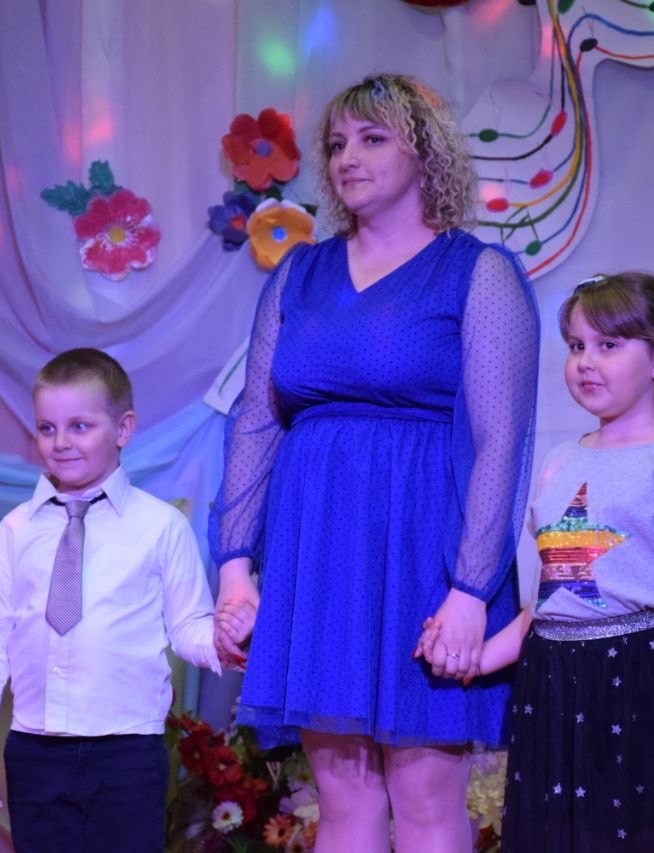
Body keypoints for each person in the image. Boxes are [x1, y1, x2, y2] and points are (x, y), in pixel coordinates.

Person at [210, 73, 539, 852]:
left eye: (372, 138)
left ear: (425, 153)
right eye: (336, 144)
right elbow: (256, 420)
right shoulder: (300, 274)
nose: (347, 158)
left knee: (426, 800)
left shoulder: (476, 273)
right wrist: (234, 566)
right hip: (320, 554)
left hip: (426, 556)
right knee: (343, 798)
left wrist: (471, 589)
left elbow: (499, 441)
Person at [470, 272, 654, 851]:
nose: (586, 362)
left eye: (608, 345)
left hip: (646, 688)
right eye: (577, 345)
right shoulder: (559, 462)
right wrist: (479, 657)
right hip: (556, 691)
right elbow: (552, 600)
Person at [0, 348, 221, 852]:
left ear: (123, 428)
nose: (61, 443)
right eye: (46, 428)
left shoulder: (161, 527)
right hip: (35, 752)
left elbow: (188, 627)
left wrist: (226, 641)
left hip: (128, 752)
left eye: (79, 426)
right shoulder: (15, 531)